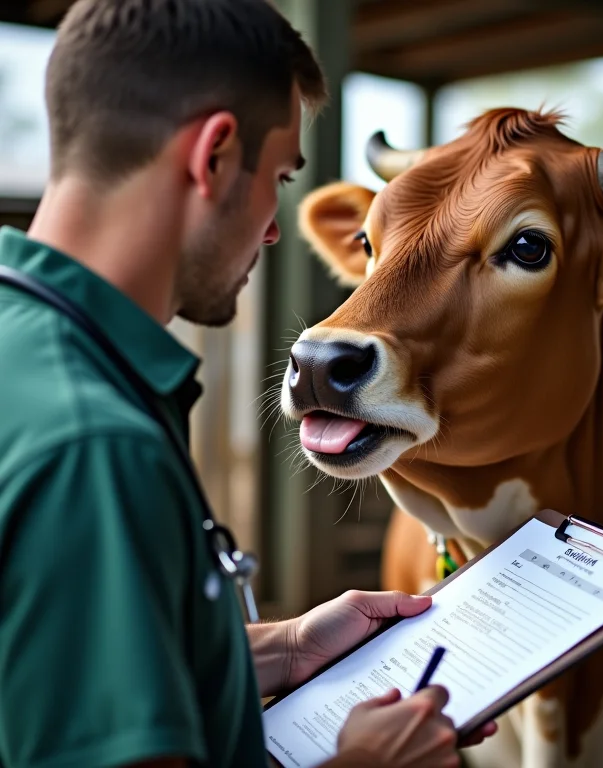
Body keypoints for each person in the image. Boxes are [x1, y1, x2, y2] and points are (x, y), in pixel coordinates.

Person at [0, 1, 498, 767]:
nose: (273, 228)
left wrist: (287, 648)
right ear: (215, 155)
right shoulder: (97, 446)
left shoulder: (25, 342)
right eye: (281, 177)